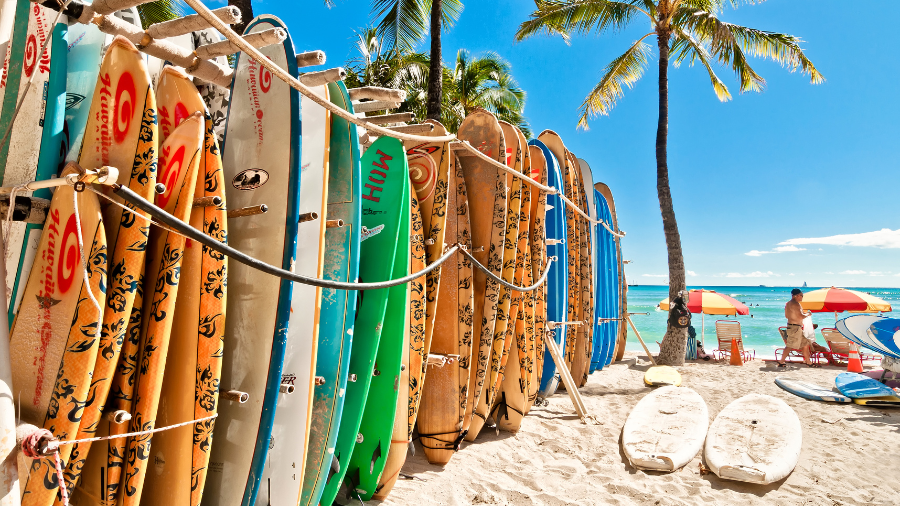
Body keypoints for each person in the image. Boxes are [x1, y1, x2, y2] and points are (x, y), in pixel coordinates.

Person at [778, 288, 819, 367]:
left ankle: (808, 362)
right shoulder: (796, 304)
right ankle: (781, 361)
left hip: (793, 327)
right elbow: (801, 316)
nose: (802, 297)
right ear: (796, 296)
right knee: (790, 345)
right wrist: (808, 314)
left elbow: (787, 316)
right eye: (801, 295)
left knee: (805, 344)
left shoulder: (788, 304)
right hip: (795, 328)